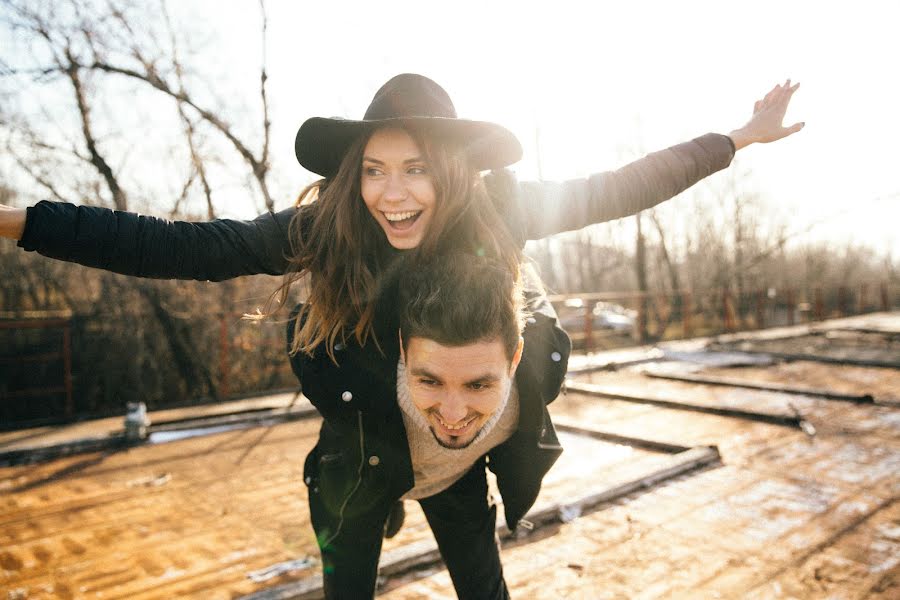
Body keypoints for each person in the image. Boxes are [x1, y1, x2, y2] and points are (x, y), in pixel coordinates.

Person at [0, 73, 803, 597]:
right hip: (357, 452)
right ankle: (377, 511)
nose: (393, 193)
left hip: (452, 449)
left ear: (452, 170)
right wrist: (19, 222)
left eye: (415, 167)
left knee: (482, 584)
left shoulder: (503, 214)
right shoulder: (327, 228)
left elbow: (627, 185)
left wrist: (737, 137)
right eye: (375, 169)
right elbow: (181, 247)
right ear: (355, 175)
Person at [291, 253, 563, 599]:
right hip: (361, 477)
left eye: (478, 385)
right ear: (403, 349)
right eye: (430, 381)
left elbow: (521, 260)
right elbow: (304, 323)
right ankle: (392, 502)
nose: (452, 415)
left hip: (455, 478)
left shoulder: (543, 370)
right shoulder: (347, 375)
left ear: (515, 359)